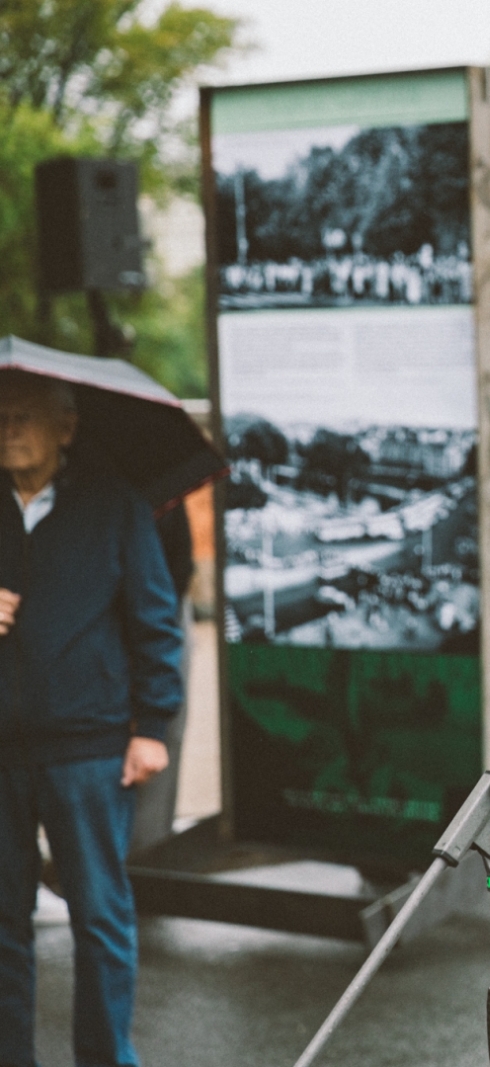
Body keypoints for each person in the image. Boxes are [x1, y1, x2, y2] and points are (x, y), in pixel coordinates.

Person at [0, 371, 184, 1067]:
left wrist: (152, 726)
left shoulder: (115, 506)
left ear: (66, 427)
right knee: (1, 924)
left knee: (99, 916)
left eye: (25, 415)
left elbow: (157, 623)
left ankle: (106, 1059)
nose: (9, 427)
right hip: (0, 751)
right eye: (0, 415)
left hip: (90, 744)